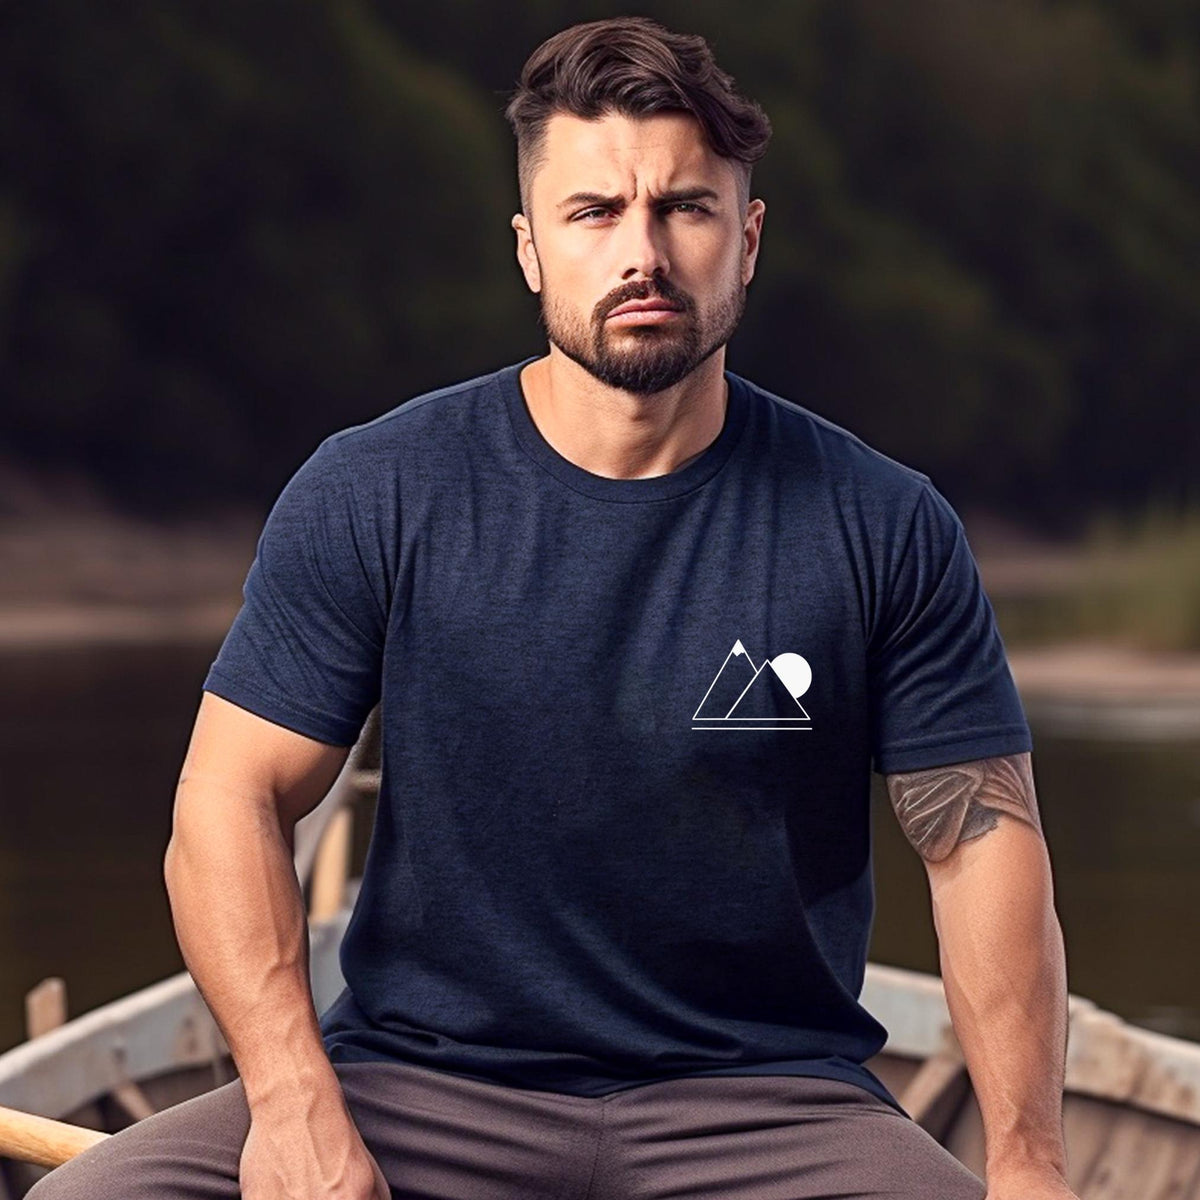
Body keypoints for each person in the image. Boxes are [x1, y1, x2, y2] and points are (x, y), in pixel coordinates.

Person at [28, 15, 1079, 1200]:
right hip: (427, 1086)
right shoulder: (378, 489)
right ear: (531, 249)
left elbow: (981, 848)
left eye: (685, 207)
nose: (644, 253)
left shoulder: (881, 523)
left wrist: (1030, 1163)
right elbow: (227, 799)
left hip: (770, 1103)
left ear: (750, 237)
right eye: (595, 213)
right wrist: (292, 1103)